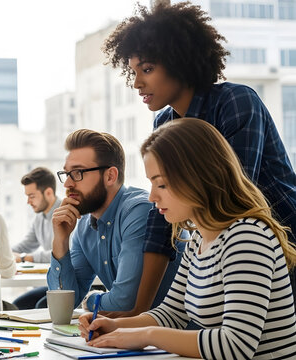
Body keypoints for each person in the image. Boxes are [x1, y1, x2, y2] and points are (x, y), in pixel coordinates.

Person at [102, 1, 296, 315]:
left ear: (179, 63)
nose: (137, 83)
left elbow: (229, 199)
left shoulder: (236, 102)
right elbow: (159, 226)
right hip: (225, 248)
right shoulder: (165, 124)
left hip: (281, 242)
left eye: (147, 69)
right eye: (134, 72)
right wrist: (137, 311)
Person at [81, 119, 296, 359]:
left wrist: (147, 335)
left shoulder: (247, 237)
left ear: (198, 178)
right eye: (151, 183)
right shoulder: (198, 241)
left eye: (161, 184)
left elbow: (235, 345)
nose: (152, 197)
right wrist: (116, 326)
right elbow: (172, 313)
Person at [49, 129, 178, 313]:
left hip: (172, 336)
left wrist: (90, 300)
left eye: (77, 173)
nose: (67, 184)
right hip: (135, 335)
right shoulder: (84, 226)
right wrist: (60, 241)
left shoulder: (140, 211)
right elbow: (64, 306)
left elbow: (125, 303)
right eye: (66, 174)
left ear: (110, 176)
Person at [11, 167, 61, 309]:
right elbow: (26, 244)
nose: (28, 201)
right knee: (18, 305)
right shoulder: (40, 217)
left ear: (49, 192)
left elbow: (63, 252)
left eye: (32, 196)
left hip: (71, 284)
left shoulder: (66, 214)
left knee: (41, 305)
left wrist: (24, 258)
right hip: (54, 282)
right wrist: (4, 254)